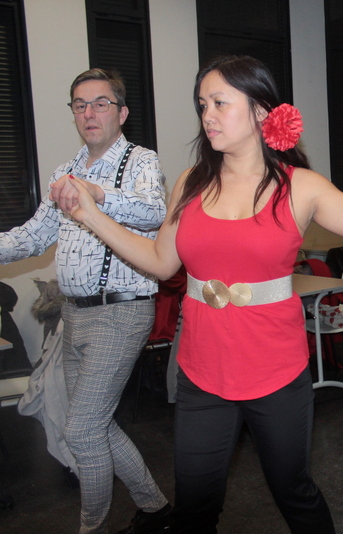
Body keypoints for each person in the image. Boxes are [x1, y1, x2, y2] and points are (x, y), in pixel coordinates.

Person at [59, 55, 343, 533]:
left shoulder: (299, 187)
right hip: (202, 374)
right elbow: (162, 261)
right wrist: (90, 214)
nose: (207, 115)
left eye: (220, 103)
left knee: (294, 492)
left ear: (262, 111)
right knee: (194, 508)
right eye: (203, 104)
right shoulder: (190, 183)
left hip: (276, 374)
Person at [0, 68, 170, 534]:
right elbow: (33, 236)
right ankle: (156, 508)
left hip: (122, 311)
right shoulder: (64, 173)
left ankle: (91, 527)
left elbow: (153, 212)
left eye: (100, 103)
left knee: (80, 430)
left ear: (122, 113)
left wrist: (97, 193)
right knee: (97, 426)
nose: (89, 113)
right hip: (74, 315)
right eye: (80, 104)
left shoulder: (140, 160)